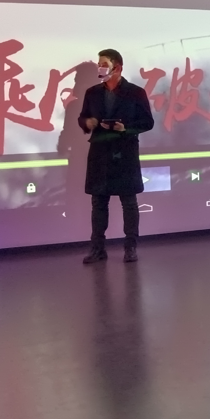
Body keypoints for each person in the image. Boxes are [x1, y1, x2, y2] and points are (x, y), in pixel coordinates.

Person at [78, 49, 154, 265]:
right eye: (98, 64)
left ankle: (130, 247)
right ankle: (97, 249)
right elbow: (82, 117)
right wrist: (88, 123)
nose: (99, 68)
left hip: (124, 154)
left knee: (129, 202)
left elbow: (147, 122)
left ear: (117, 67)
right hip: (99, 153)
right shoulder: (92, 92)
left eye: (103, 64)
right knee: (98, 203)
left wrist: (125, 127)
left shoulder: (135, 92)